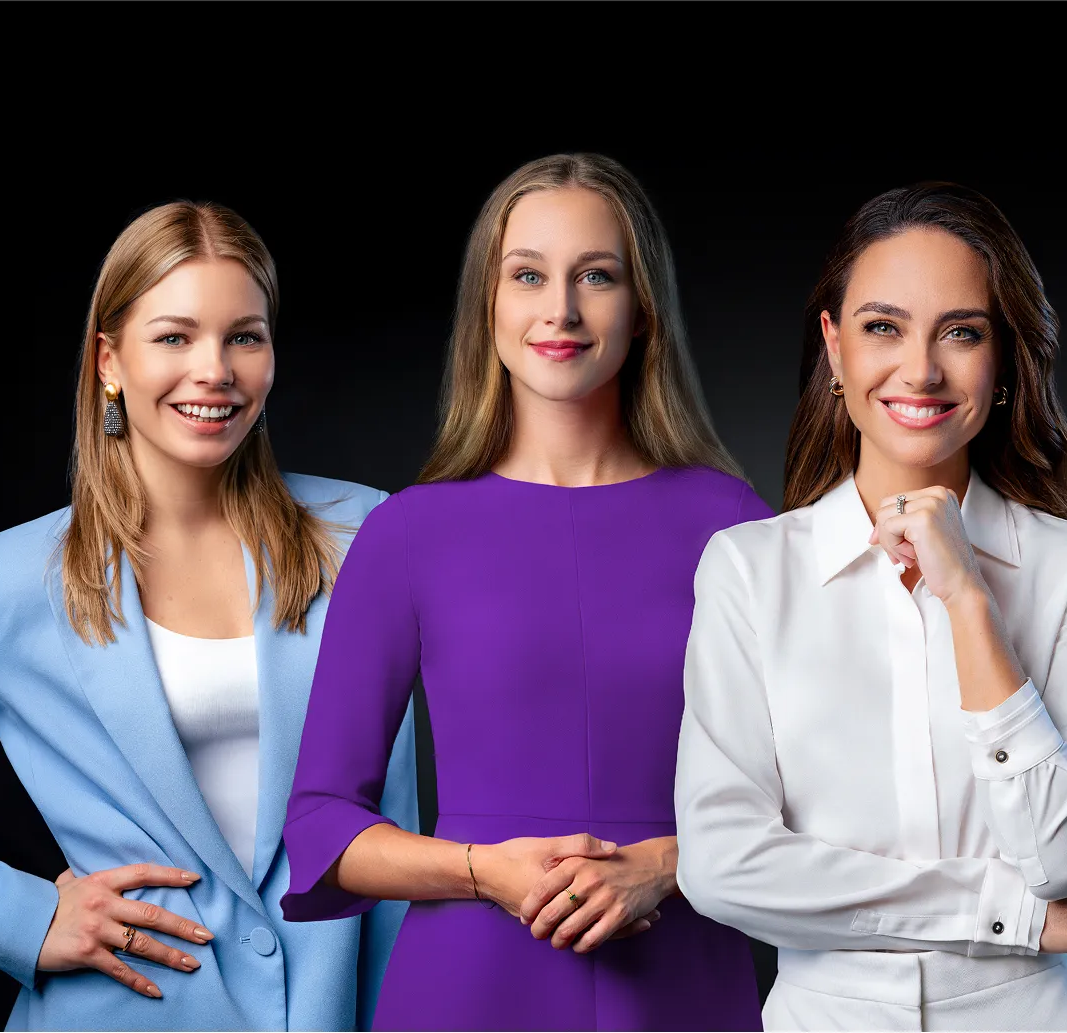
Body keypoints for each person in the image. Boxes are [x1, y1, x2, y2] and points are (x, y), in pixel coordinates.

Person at [0, 202, 415, 1029]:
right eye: (174, 337)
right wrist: (25, 917)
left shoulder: (368, 533)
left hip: (340, 1007)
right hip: (125, 1008)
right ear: (109, 360)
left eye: (245, 335)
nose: (216, 370)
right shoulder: (10, 578)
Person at [280, 153, 766, 1031]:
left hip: (685, 979)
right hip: (468, 987)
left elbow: (819, 791)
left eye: (598, 276)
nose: (562, 310)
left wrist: (668, 861)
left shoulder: (730, 523)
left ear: (642, 309)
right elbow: (321, 826)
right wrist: (484, 871)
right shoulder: (407, 533)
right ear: (489, 306)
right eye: (529, 274)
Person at [675, 183, 1067, 1031]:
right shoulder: (748, 570)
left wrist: (967, 598)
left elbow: (1063, 853)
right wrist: (1010, 912)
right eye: (884, 326)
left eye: (962, 332)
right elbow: (721, 865)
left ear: (1002, 364)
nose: (921, 370)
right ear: (834, 348)